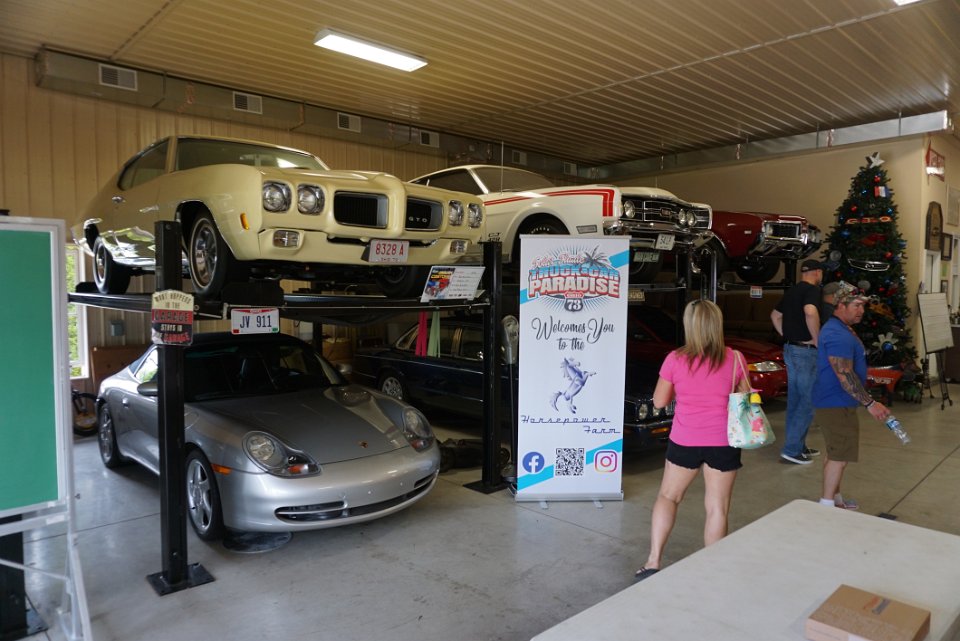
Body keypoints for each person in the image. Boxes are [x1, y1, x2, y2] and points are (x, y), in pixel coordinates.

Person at [635, 299, 750, 581]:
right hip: (723, 441)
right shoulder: (735, 358)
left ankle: (653, 561)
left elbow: (659, 402)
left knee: (669, 497)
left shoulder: (675, 359)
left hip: (685, 439)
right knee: (717, 506)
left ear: (689, 326)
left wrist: (683, 389)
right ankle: (711, 570)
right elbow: (745, 398)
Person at [812, 282, 891, 510]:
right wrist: (870, 403)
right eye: (856, 305)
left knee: (836, 452)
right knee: (839, 456)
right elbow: (844, 374)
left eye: (863, 306)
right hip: (835, 402)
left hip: (838, 401)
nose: (861, 311)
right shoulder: (838, 334)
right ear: (841, 305)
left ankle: (835, 500)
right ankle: (826, 506)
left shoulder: (842, 328)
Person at [770, 259, 824, 464]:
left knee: (796, 400)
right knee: (808, 400)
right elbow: (810, 311)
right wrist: (817, 340)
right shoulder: (812, 290)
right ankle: (792, 450)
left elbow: (775, 316)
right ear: (817, 272)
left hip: (791, 349)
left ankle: (798, 445)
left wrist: (788, 335)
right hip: (806, 352)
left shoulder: (792, 291)